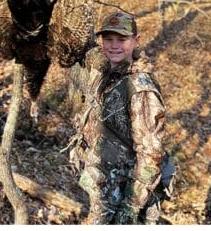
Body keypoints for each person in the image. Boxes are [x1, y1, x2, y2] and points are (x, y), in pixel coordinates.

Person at [69, 11, 175, 224]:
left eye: (122, 39)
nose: (114, 45)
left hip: (126, 192)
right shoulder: (105, 71)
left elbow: (151, 153)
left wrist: (130, 207)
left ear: (136, 41)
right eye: (108, 39)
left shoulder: (140, 88)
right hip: (104, 186)